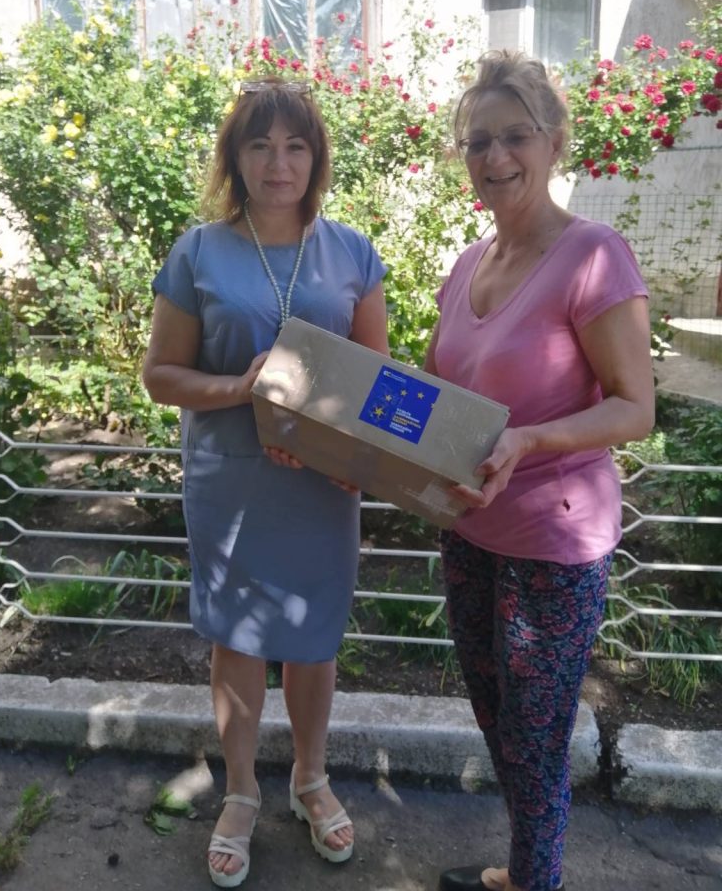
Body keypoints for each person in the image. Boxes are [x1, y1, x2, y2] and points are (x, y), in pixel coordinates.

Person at [142, 76, 388, 887]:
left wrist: (339, 454)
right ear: (235, 157)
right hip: (233, 479)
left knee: (314, 638)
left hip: (323, 484)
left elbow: (377, 386)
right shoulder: (198, 252)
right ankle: (241, 789)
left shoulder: (352, 253)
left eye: (295, 146)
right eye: (259, 145)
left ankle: (310, 779)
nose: (278, 163)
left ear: (316, 158)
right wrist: (238, 389)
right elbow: (160, 375)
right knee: (238, 640)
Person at [425, 50, 654, 891]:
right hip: (470, 525)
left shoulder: (593, 255)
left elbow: (634, 407)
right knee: (498, 719)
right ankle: (524, 872)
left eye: (515, 135)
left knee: (536, 740)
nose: (494, 157)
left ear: (555, 142)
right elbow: (438, 392)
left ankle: (536, 882)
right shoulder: (468, 264)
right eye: (478, 141)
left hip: (553, 540)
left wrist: (529, 440)